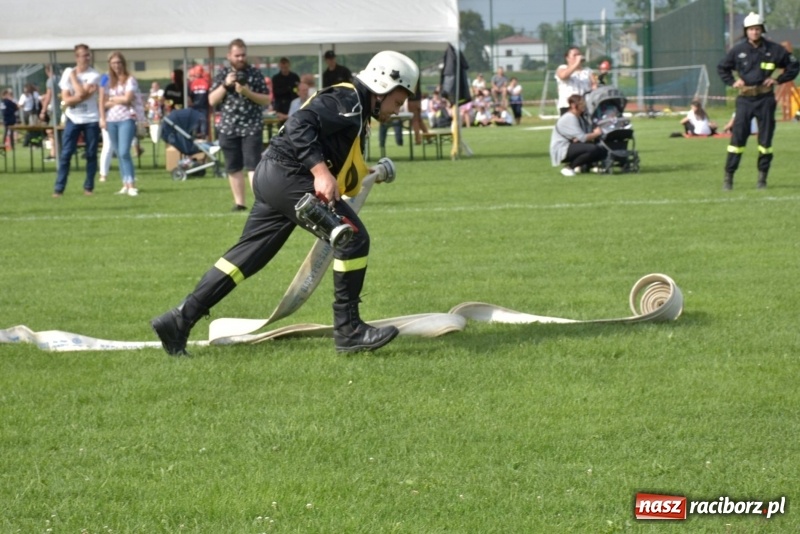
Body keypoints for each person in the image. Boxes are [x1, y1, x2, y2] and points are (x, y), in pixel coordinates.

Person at [150, 50, 420, 356]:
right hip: (289, 175)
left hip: (275, 176)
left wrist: (365, 174)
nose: (398, 110)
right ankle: (349, 331)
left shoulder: (354, 107)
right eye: (398, 101)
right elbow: (298, 126)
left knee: (245, 258)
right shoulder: (349, 100)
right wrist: (319, 172)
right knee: (353, 239)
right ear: (382, 85)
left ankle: (178, 320)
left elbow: (341, 163)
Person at [718, 12, 799, 190]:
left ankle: (762, 178)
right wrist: (733, 82)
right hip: (745, 100)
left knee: (765, 142)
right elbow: (722, 68)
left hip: (765, 100)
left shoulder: (775, 50)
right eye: (751, 29)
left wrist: (778, 79)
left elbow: (794, 65)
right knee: (737, 140)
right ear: (746, 31)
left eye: (757, 29)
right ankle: (728, 177)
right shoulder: (738, 50)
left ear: (762, 30)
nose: (754, 32)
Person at [209, 38, 271, 211]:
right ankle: (240, 203)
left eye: (243, 55)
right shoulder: (222, 74)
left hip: (251, 126)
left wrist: (246, 91)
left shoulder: (255, 73)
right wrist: (225, 85)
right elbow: (212, 100)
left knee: (253, 166)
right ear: (229, 56)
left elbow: (266, 99)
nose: (241, 58)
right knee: (233, 167)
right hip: (228, 127)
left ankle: (261, 204)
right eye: (237, 55)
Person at [53, 43, 101, 197]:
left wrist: (73, 78)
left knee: (91, 153)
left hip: (91, 119)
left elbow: (79, 94)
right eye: (84, 55)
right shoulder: (66, 73)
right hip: (73, 118)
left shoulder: (94, 75)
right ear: (76, 57)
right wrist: (80, 96)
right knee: (66, 153)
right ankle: (59, 188)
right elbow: (66, 98)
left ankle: (88, 187)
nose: (87, 58)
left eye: (88, 55)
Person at [99, 51, 140, 196]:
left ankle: (131, 184)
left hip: (126, 118)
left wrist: (112, 99)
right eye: (113, 63)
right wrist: (102, 118)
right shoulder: (105, 79)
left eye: (119, 62)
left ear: (123, 63)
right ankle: (125, 182)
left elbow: (128, 99)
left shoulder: (130, 79)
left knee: (124, 152)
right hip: (111, 120)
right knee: (117, 151)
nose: (116, 66)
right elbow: (102, 100)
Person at [550, 94, 606, 176]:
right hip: (562, 148)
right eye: (581, 104)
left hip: (570, 145)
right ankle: (569, 167)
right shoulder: (569, 118)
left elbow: (581, 136)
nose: (584, 105)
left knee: (600, 150)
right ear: (573, 105)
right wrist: (597, 133)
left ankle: (587, 166)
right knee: (592, 149)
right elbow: (583, 138)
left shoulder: (579, 117)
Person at [555, 46, 596, 115]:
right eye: (574, 55)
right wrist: (576, 63)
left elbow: (594, 85)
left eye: (579, 54)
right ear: (567, 58)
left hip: (585, 106)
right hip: (568, 106)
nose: (578, 57)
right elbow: (563, 76)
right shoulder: (562, 68)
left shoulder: (588, 71)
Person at [271, 57, 300, 127]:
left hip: (293, 104)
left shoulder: (294, 77)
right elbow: (276, 92)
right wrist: (288, 89)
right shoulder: (276, 78)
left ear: (289, 66)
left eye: (286, 67)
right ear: (280, 67)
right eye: (282, 67)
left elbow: (297, 90)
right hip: (281, 106)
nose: (284, 69)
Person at [406, 79, 428, 144]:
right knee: (419, 120)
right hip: (418, 100)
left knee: (414, 121)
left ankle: (418, 139)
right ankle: (428, 137)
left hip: (412, 100)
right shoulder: (416, 73)